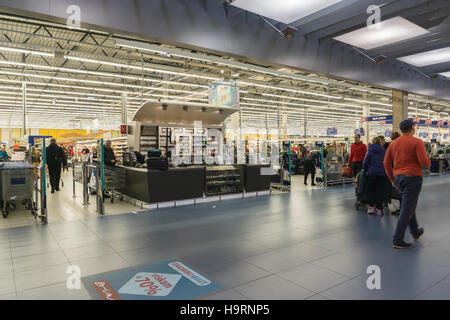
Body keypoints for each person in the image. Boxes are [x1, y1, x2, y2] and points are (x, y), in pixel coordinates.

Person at [384, 120, 431, 249]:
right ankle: (397, 239)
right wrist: (428, 162)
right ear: (412, 128)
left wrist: (392, 179)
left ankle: (415, 231)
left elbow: (386, 163)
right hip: (412, 178)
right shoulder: (417, 142)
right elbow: (424, 162)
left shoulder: (393, 144)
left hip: (399, 178)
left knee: (409, 203)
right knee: (407, 207)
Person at [363, 137, 387, 216]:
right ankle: (379, 209)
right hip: (382, 175)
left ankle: (371, 208)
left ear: (372, 142)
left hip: (372, 174)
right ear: (380, 143)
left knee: (371, 191)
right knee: (380, 192)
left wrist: (367, 171)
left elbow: (365, 164)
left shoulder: (369, 152)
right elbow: (386, 162)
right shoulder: (384, 151)